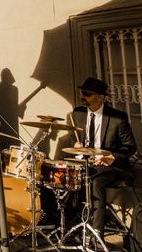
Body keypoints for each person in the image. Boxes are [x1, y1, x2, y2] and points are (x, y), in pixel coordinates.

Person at [71, 77, 137, 238]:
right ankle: (70, 224)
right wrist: (76, 146)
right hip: (85, 162)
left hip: (109, 165)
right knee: (62, 175)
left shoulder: (117, 117)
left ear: (100, 97)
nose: (82, 96)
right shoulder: (77, 113)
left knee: (94, 182)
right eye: (82, 92)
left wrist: (111, 157)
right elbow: (74, 139)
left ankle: (97, 232)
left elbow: (130, 147)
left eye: (87, 94)